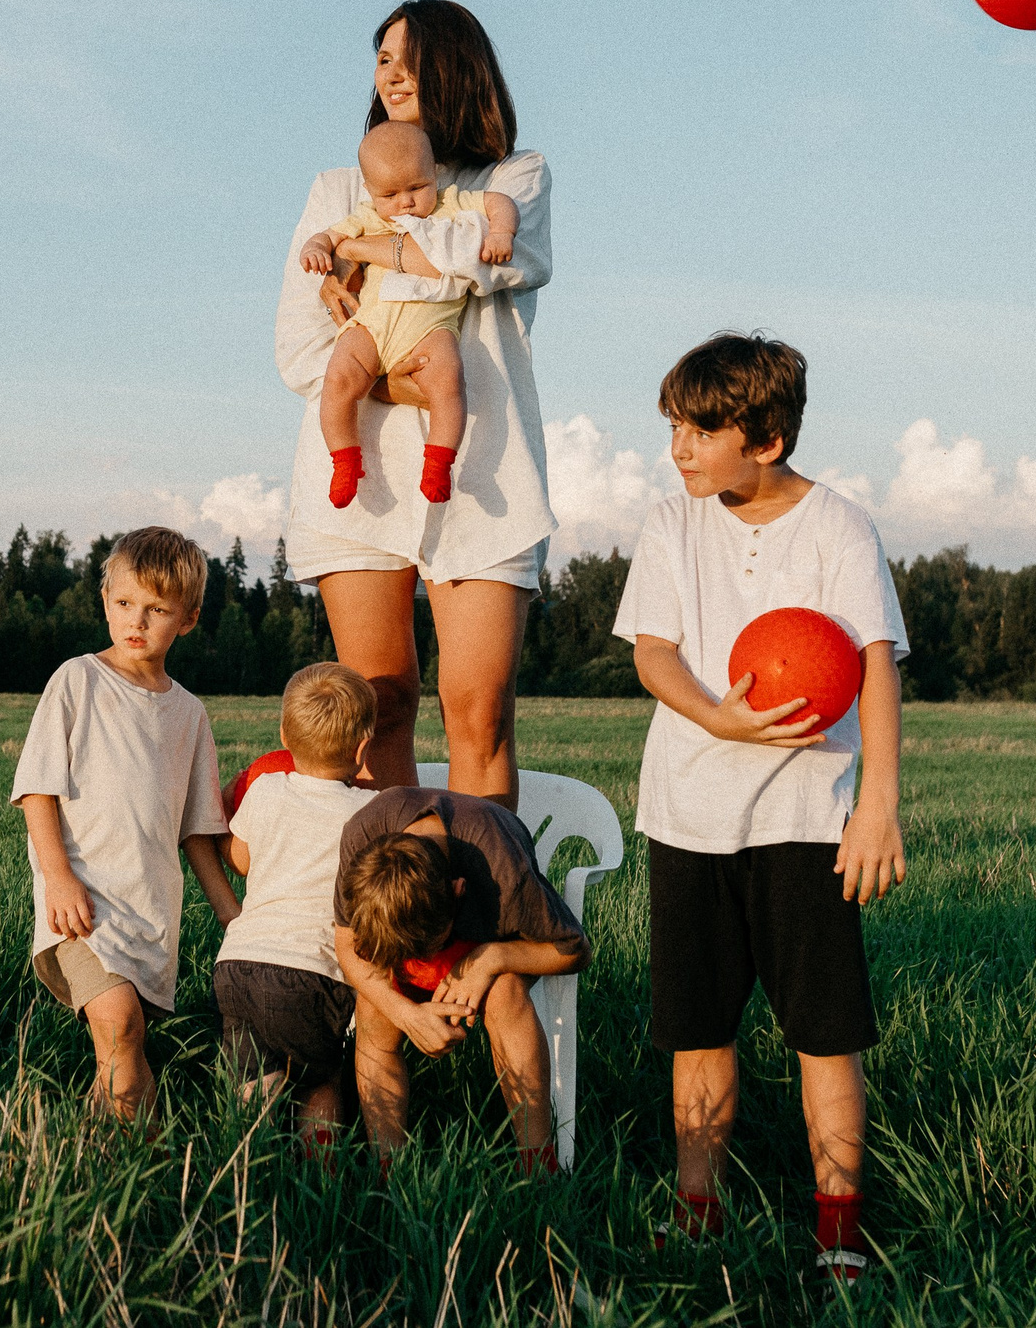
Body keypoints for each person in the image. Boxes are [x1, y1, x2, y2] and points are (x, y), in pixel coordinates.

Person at [610, 333, 909, 1284]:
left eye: (701, 431)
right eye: (674, 429)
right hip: (689, 814)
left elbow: (873, 666)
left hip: (808, 821)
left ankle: (839, 1232)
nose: (680, 450)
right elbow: (653, 652)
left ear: (767, 437)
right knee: (697, 1031)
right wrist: (718, 720)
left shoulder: (839, 527)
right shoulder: (672, 522)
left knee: (826, 1033)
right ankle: (699, 1213)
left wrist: (877, 808)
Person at [274, 0, 555, 807]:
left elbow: (486, 260)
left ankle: (483, 918)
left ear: (459, 65)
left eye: (409, 57)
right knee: (378, 708)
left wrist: (360, 249)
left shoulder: (513, 180)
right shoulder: (336, 187)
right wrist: (420, 384)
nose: (389, 74)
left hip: (484, 474)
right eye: (381, 59)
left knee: (479, 716)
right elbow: (301, 352)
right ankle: (396, 923)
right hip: (361, 484)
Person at [10, 526, 241, 1119]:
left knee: (126, 1037)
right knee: (117, 1026)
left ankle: (104, 1146)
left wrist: (229, 913)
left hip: (150, 913)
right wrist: (57, 878)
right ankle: (134, 1159)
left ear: (187, 619)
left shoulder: (188, 713)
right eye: (124, 603)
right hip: (82, 905)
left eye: (157, 609)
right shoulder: (77, 680)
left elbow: (196, 829)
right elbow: (37, 789)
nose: (136, 620)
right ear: (105, 600)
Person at [331, 785, 589, 1173]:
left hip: (491, 941)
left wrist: (491, 958)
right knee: (372, 1007)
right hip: (415, 923)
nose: (423, 964)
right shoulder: (362, 840)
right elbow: (346, 943)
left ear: (458, 891)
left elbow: (574, 949)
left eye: (429, 948)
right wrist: (405, 1014)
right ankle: (389, 1168)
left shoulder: (503, 871)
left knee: (505, 995)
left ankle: (539, 1165)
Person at [300, 121, 519, 509]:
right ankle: (344, 461)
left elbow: (499, 202)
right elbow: (329, 238)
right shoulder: (368, 216)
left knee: (449, 381)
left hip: (431, 327)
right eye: (390, 194)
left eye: (416, 187)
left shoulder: (451, 201)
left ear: (434, 172)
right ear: (369, 192)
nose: (405, 202)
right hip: (372, 325)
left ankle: (439, 462)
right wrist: (316, 249)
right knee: (338, 380)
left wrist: (502, 232)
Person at [213, 663, 381, 1150]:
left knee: (252, 1075)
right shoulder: (368, 814)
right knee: (321, 1079)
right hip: (314, 974)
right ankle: (319, 1176)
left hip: (239, 965)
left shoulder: (265, 790)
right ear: (363, 748)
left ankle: (244, 1163)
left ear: (284, 734)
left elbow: (240, 861)